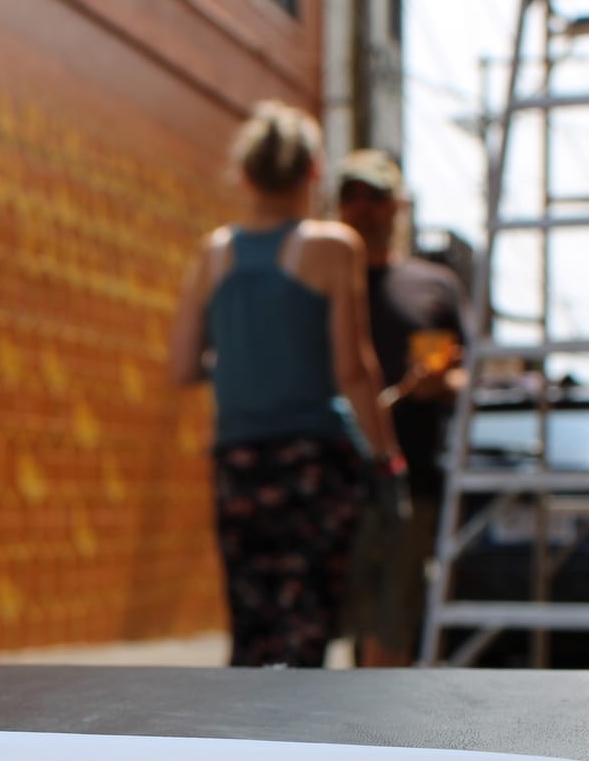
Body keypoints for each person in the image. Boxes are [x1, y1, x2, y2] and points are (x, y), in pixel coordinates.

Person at [167, 103, 402, 668]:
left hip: (238, 460)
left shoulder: (215, 252)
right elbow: (353, 368)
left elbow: (180, 366)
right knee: (307, 625)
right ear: (314, 172)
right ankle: (299, 746)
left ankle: (243, 749)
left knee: (251, 625)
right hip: (313, 463)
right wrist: (388, 456)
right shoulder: (333, 246)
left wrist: (244, 360)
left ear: (245, 175)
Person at [334, 150, 468, 667]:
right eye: (352, 197)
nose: (363, 209)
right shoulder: (323, 278)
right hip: (338, 475)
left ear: (399, 207)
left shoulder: (434, 284)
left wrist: (440, 384)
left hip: (412, 477)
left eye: (376, 197)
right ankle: (352, 738)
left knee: (393, 622)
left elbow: (472, 373)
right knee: (347, 622)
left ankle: (375, 740)